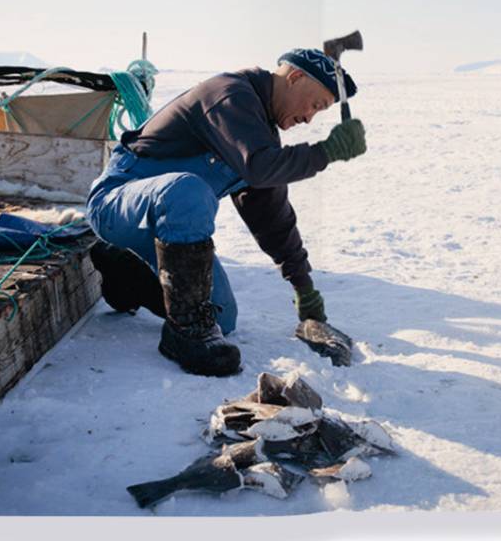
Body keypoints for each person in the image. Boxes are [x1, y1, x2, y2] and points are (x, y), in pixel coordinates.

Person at [86, 48, 366, 377]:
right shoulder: (230, 96)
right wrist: (326, 152)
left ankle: (127, 275)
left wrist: (304, 289)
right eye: (316, 105)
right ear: (295, 77)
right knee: (188, 189)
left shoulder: (260, 136)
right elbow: (260, 168)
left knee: (221, 318)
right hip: (117, 205)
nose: (309, 118)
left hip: (167, 232)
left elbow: (273, 220)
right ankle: (185, 336)